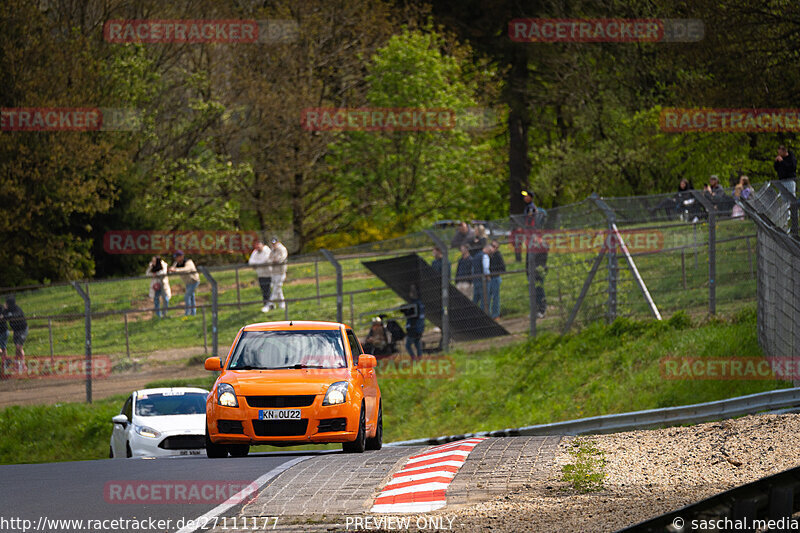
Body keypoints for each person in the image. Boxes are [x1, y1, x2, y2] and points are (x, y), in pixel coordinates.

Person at [168, 250, 200, 316]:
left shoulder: (189, 262)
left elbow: (187, 269)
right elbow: (172, 271)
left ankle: (187, 313)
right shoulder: (177, 263)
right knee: (191, 297)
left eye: (177, 257)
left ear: (181, 256)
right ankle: (193, 313)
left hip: (194, 281)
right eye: (175, 257)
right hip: (187, 283)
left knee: (187, 296)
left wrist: (176, 270)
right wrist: (171, 269)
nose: (176, 259)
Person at [248, 240, 272, 312]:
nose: (257, 247)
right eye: (256, 245)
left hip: (268, 274)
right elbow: (251, 262)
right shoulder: (255, 252)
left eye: (259, 245)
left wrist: (257, 264)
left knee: (268, 290)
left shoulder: (267, 250)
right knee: (263, 290)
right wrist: (258, 264)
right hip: (260, 274)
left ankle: (268, 305)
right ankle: (268, 304)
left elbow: (266, 260)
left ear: (262, 245)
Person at [266, 237, 288, 311]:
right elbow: (269, 259)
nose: (273, 245)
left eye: (275, 243)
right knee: (277, 288)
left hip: (281, 271)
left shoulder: (282, 249)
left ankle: (269, 304)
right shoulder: (272, 250)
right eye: (272, 244)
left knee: (277, 286)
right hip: (274, 272)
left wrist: (276, 260)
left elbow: (282, 258)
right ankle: (282, 304)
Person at [5, 296, 27, 370]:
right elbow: (3, 315)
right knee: (18, 349)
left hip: (23, 330)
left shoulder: (17, 309)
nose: (6, 305)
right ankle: (17, 364)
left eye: (7, 303)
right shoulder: (7, 310)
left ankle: (22, 365)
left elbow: (16, 315)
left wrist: (9, 315)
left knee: (18, 347)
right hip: (16, 331)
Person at [404, 285, 425, 361]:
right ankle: (420, 358)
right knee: (417, 344)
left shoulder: (415, 305)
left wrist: (405, 311)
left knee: (408, 345)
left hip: (414, 328)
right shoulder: (420, 304)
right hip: (420, 327)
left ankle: (414, 358)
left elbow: (411, 315)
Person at [487, 240, 506, 319]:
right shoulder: (487, 255)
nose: (493, 248)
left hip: (495, 278)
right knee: (487, 297)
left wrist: (494, 272)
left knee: (495, 297)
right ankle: (488, 313)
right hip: (488, 278)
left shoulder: (498, 255)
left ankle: (495, 314)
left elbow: (503, 268)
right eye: (492, 245)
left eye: (495, 247)